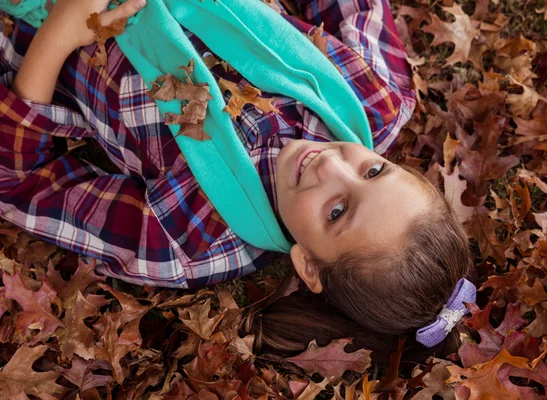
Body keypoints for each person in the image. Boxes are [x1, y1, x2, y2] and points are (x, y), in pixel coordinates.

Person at [0, 0, 473, 362]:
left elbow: (22, 181)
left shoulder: (189, 238)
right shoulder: (372, 97)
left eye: (337, 211)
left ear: (309, 267)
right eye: (375, 170)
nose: (332, 166)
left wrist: (58, 36)